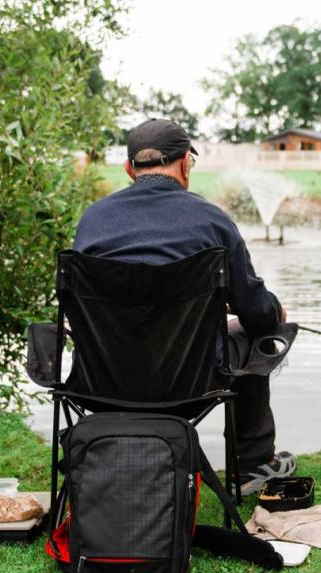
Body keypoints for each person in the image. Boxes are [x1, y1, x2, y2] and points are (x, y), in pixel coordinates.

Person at [73, 118, 296, 493]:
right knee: (258, 332)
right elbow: (256, 311)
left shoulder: (93, 219)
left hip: (101, 383)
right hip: (192, 385)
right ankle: (253, 464)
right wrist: (274, 313)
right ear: (184, 165)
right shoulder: (210, 219)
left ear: (129, 169)